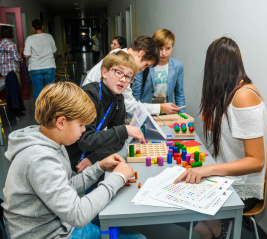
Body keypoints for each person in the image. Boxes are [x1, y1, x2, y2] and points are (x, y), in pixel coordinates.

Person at [2, 81, 146, 239]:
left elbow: (66, 186)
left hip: (60, 223)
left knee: (113, 213)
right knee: (138, 237)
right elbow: (78, 215)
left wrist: (99, 166)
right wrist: (117, 178)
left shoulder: (50, 139)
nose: (84, 130)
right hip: (51, 234)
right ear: (61, 122)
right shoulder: (40, 160)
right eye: (81, 124)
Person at [175, 37, 267, 239]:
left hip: (243, 188)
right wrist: (211, 123)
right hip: (227, 175)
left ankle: (215, 228)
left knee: (178, 198)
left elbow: (257, 161)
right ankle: (208, 229)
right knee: (178, 185)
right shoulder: (231, 92)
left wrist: (208, 169)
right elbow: (230, 138)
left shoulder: (243, 96)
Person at [67, 51, 146, 173]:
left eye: (129, 76)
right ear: (104, 72)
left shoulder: (118, 99)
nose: (123, 79)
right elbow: (85, 140)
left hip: (89, 155)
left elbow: (118, 141)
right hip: (68, 157)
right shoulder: (89, 95)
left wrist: (94, 158)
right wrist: (124, 130)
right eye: (118, 72)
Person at [83, 35, 180, 116]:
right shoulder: (122, 63)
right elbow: (130, 105)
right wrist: (160, 107)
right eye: (145, 65)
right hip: (90, 112)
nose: (142, 69)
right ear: (141, 53)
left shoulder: (120, 55)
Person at [132, 29, 186, 113]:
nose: (164, 53)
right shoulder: (144, 65)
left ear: (173, 47)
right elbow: (135, 95)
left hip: (167, 113)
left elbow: (179, 94)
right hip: (146, 112)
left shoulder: (178, 66)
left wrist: (183, 117)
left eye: (168, 48)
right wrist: (131, 120)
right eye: (160, 49)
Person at [24, 19, 57, 103]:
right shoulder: (49, 36)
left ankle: (39, 112)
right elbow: (54, 51)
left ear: (33, 28)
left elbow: (26, 55)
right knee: (50, 90)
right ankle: (50, 110)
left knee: (38, 90)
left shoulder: (29, 39)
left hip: (35, 68)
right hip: (49, 66)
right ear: (42, 27)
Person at [0, 26, 26, 118]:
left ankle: (13, 112)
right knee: (15, 92)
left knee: (9, 93)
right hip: (11, 71)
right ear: (10, 33)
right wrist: (20, 52)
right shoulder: (11, 44)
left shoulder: (0, 44)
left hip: (3, 72)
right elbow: (16, 58)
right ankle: (15, 113)